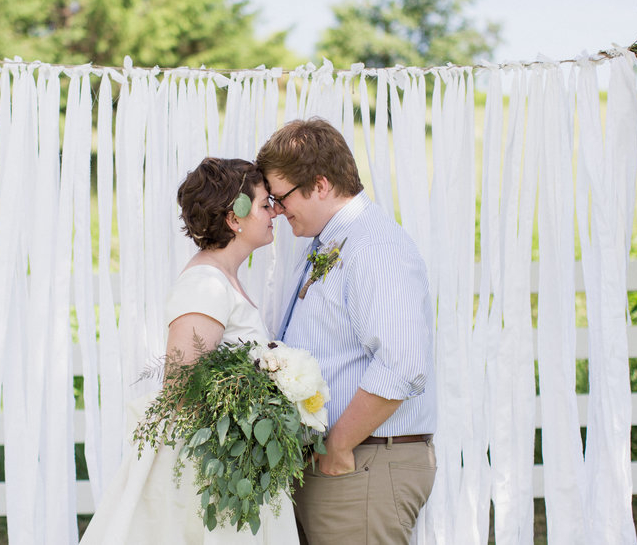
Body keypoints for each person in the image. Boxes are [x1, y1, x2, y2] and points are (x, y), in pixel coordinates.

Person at [80, 157, 299, 545]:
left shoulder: (224, 278)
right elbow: (182, 388)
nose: (275, 212)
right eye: (265, 204)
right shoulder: (205, 284)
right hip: (211, 476)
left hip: (235, 465)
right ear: (234, 218)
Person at [255, 118, 437, 545]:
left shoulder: (374, 246)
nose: (277, 210)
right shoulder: (330, 242)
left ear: (320, 185)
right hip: (348, 462)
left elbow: (402, 364)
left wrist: (337, 446)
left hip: (364, 461)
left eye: (281, 197)